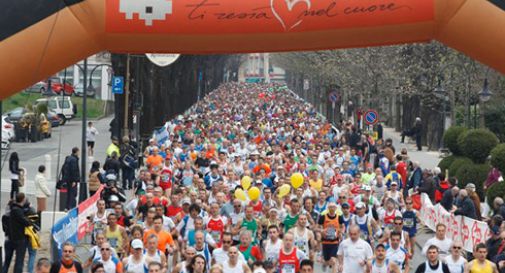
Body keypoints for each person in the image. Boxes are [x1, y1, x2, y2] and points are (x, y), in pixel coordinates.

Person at [3, 193, 32, 273]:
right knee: (19, 261)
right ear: (23, 200)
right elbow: (28, 222)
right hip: (19, 239)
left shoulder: (6, 216)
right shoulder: (18, 211)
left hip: (8, 238)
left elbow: (4, 227)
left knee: (6, 262)